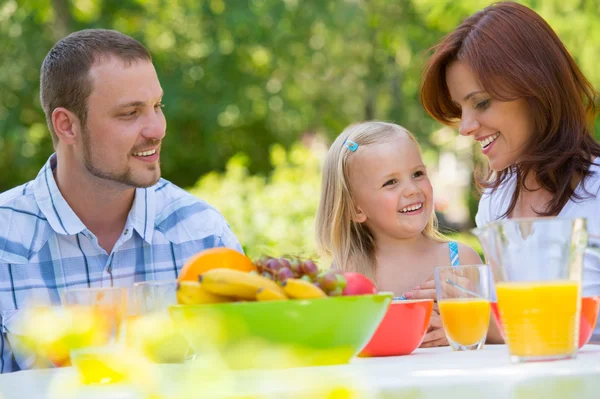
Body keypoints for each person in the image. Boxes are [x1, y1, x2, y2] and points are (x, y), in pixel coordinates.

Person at [0, 29, 242, 373]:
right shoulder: (4, 241)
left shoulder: (203, 235)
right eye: (130, 113)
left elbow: (247, 377)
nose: (156, 128)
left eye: (157, 106)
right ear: (67, 125)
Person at [419, 1, 600, 342]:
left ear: (538, 89)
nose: (466, 127)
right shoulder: (495, 201)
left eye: (482, 103)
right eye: (461, 108)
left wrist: (487, 325)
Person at [315, 121, 484, 348]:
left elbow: (496, 331)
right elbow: (333, 339)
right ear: (356, 209)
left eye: (417, 173)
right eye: (391, 182)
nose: (412, 189)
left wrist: (462, 329)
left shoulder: (461, 260)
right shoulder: (348, 271)